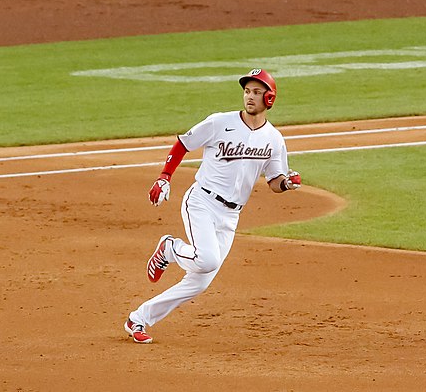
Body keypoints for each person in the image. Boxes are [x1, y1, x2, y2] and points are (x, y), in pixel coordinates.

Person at [124, 68, 302, 343]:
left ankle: (139, 319)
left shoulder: (274, 139)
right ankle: (170, 248)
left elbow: (274, 181)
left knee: (199, 281)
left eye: (256, 92)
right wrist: (164, 177)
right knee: (207, 260)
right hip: (202, 202)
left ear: (270, 98)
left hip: (231, 216)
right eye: (247, 91)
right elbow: (183, 143)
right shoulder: (220, 122)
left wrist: (287, 184)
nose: (249, 97)